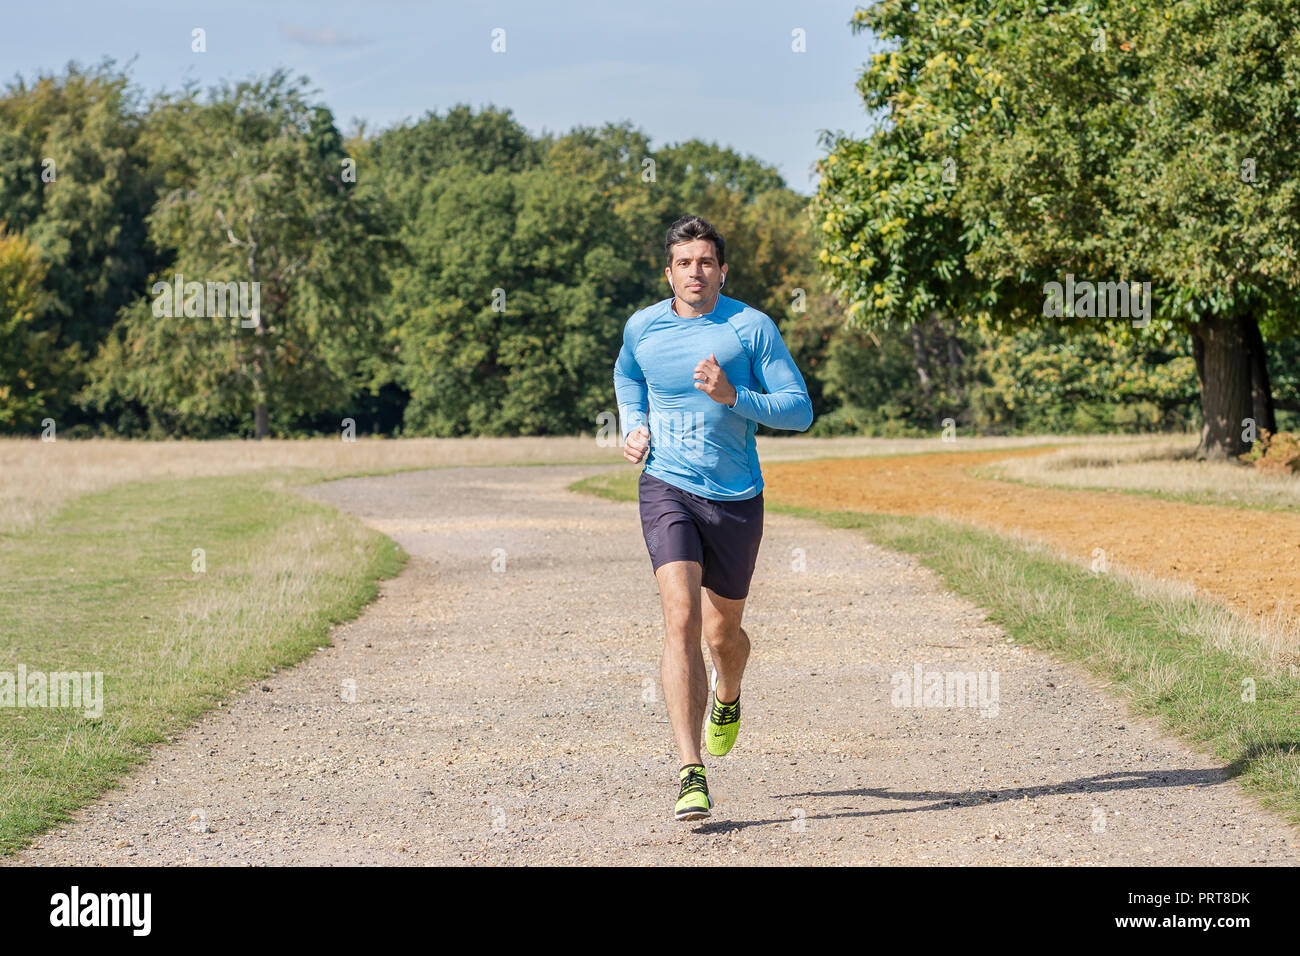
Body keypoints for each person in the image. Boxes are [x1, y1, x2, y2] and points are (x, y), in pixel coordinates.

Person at [612, 214, 814, 820]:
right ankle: (689, 770)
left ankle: (729, 693)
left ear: (722, 269)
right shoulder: (643, 327)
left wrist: (735, 397)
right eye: (683, 262)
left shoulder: (751, 328)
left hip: (736, 496)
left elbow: (799, 410)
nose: (694, 272)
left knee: (722, 636)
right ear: (668, 271)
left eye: (705, 261)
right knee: (679, 620)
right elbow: (627, 374)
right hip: (666, 485)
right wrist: (633, 424)